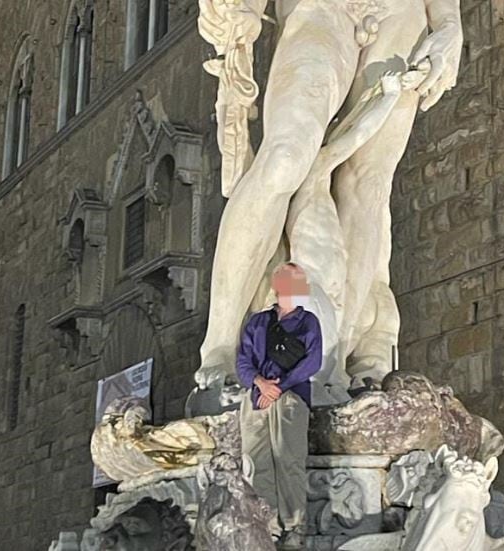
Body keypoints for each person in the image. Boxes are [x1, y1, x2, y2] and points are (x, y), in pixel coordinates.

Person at [195, 0, 464, 392]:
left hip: (402, 13)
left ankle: (334, 359)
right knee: (284, 156)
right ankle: (219, 344)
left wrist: (449, 26)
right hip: (319, 9)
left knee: (367, 184)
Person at [236, 262, 322, 550]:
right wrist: (260, 383)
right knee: (257, 463)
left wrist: (278, 387)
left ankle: (295, 526)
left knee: (289, 460)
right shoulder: (258, 322)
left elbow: (312, 361)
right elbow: (243, 360)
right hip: (258, 397)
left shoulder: (307, 321)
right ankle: (268, 526)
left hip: (290, 396)